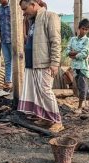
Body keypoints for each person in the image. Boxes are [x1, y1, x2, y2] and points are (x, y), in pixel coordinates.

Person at [17, 0, 63, 133]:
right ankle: (46, 117)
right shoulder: (33, 20)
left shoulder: (50, 16)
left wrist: (55, 63)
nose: (24, 12)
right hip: (33, 63)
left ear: (33, 4)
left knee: (45, 91)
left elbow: (55, 41)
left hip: (45, 63)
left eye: (25, 9)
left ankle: (57, 121)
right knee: (39, 92)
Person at [65, 19, 89, 114]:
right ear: (79, 28)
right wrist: (76, 53)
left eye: (86, 29)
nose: (84, 31)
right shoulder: (72, 39)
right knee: (82, 88)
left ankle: (80, 107)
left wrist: (73, 54)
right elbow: (67, 51)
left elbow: (85, 54)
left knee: (83, 89)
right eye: (83, 29)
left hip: (83, 68)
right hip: (75, 68)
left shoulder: (87, 40)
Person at [0, 0, 12, 89]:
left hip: (14, 39)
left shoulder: (13, 8)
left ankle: (16, 80)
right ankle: (8, 81)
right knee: (7, 61)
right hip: (4, 39)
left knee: (16, 60)